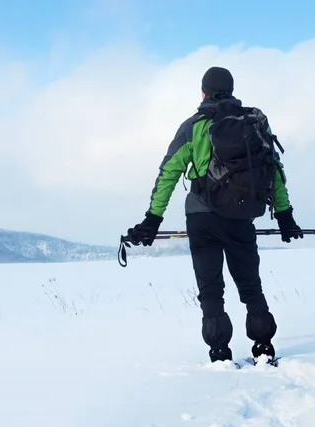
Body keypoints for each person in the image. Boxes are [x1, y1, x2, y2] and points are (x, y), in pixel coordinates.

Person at [125, 66, 303, 364]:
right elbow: (273, 168)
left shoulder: (193, 126)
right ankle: (263, 346)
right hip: (242, 215)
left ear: (203, 91)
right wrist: (284, 215)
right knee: (250, 285)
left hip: (201, 218)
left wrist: (152, 220)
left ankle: (219, 353)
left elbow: (169, 173)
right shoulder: (255, 122)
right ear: (232, 89)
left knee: (211, 289)